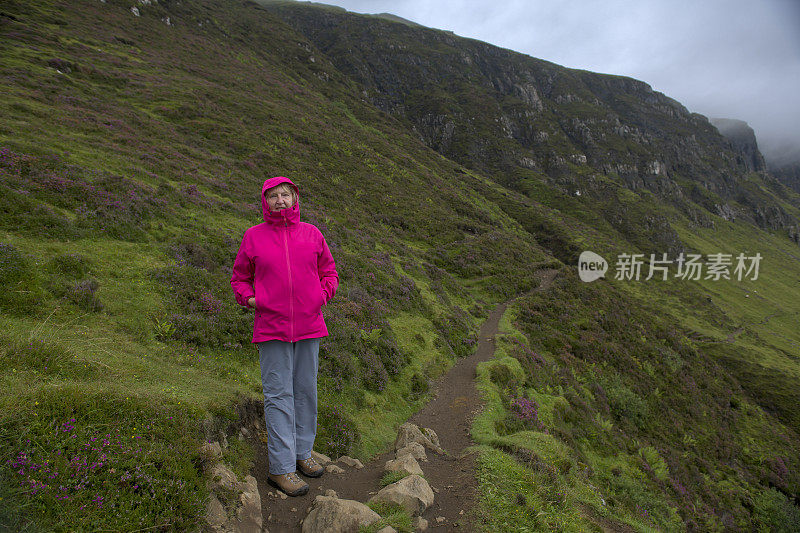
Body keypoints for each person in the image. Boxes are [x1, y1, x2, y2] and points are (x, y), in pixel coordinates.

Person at [230, 176, 338, 497]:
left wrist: (321, 296)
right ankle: (280, 468)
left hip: (309, 326)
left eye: (285, 195)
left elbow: (329, 272)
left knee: (305, 391)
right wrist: (253, 300)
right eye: (273, 196)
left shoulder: (312, 234)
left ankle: (303, 454)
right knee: (279, 395)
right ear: (265, 202)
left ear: (295, 199)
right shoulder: (253, 236)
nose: (280, 200)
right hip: (271, 328)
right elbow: (240, 278)